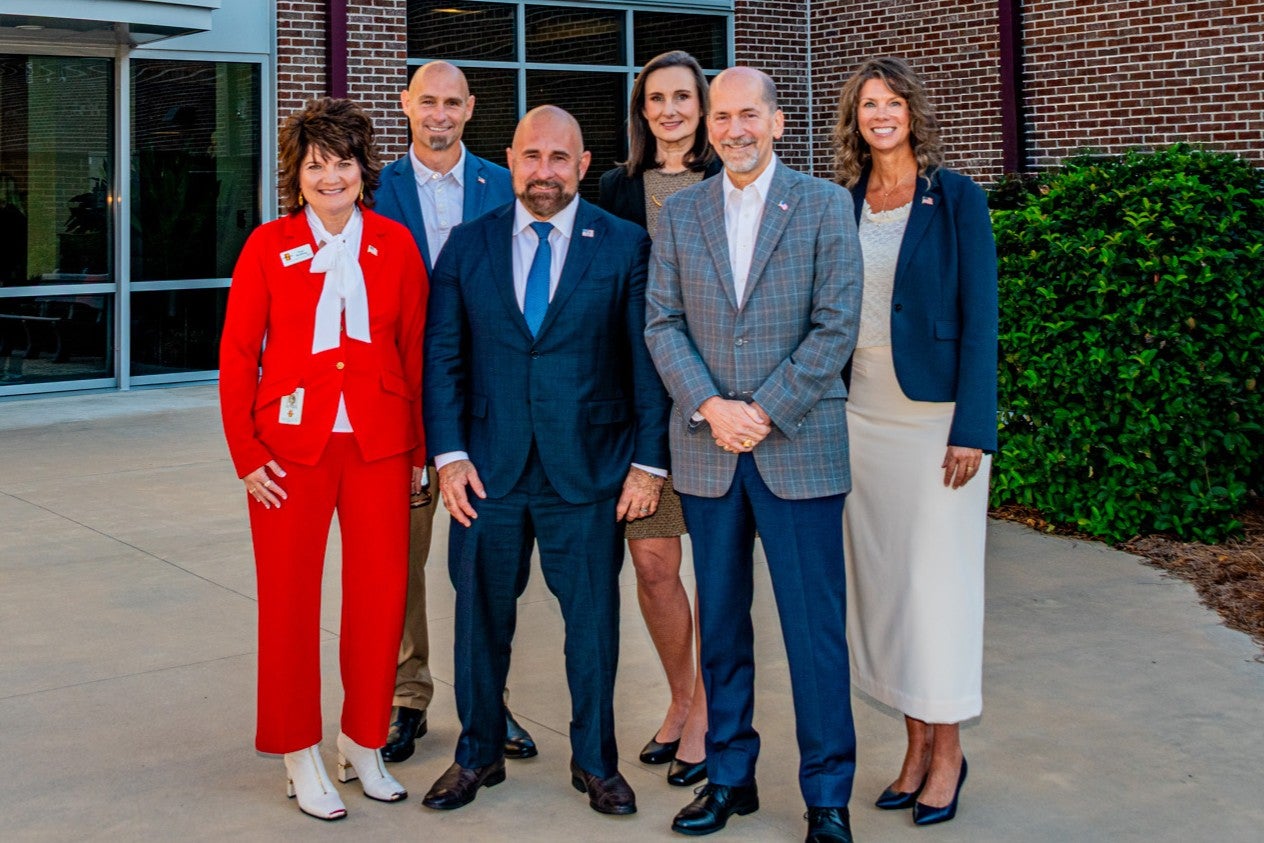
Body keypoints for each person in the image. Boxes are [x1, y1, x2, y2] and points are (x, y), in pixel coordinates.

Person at [420, 105, 670, 816]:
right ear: (510, 159)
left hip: (587, 471)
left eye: (560, 158)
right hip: (488, 472)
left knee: (591, 626)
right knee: (479, 622)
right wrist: (449, 455)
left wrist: (648, 462)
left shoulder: (623, 245)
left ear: (583, 165)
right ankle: (477, 754)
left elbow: (644, 365)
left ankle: (595, 762)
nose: (545, 172)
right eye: (532, 157)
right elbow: (443, 359)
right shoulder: (467, 246)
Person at [645, 67, 863, 843]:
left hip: (797, 447)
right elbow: (662, 323)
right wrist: (711, 405)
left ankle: (827, 794)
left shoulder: (825, 204)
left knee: (814, 632)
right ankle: (730, 776)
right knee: (725, 628)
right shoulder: (680, 214)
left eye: (748, 115)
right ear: (708, 128)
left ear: (776, 122)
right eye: (721, 117)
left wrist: (762, 410)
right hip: (709, 451)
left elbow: (836, 325)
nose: (733, 128)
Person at [219, 97, 425, 821]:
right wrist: (245, 452)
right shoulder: (267, 246)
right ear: (296, 175)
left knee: (378, 600)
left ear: (362, 169)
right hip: (287, 452)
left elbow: (415, 349)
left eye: (342, 162)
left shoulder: (396, 245)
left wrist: (420, 453)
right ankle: (298, 749)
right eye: (316, 165)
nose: (331, 176)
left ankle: (362, 739)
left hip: (379, 446)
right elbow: (239, 356)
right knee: (287, 604)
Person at [831, 56, 998, 827]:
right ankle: (912, 745)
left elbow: (982, 316)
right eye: (869, 103)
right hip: (860, 417)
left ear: (912, 112)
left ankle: (949, 752)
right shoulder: (843, 203)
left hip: (936, 424)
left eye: (893, 101)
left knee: (937, 589)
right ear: (855, 118)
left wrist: (974, 426)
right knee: (888, 591)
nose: (882, 113)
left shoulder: (955, 198)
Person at [372, 59, 536, 765]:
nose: (439, 114)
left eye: (452, 103)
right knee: (402, 561)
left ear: (471, 110)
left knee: (486, 564)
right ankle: (407, 696)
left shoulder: (504, 187)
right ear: (406, 104)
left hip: (484, 406)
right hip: (402, 405)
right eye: (427, 101)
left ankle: (489, 701)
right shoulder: (374, 187)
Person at [596, 49, 721, 789]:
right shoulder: (615, 188)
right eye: (655, 99)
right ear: (641, 111)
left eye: (682, 96)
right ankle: (682, 696)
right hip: (647, 407)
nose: (669, 109)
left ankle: (705, 713)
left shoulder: (726, 178)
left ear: (702, 107)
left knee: (720, 565)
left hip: (717, 401)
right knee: (653, 563)